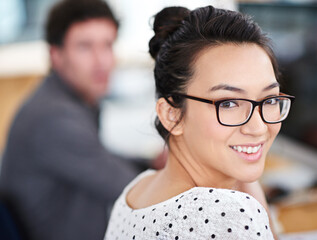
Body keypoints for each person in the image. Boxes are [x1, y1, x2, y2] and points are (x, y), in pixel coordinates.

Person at [104, 5, 295, 240]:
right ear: (172, 115)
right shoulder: (231, 215)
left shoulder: (136, 190)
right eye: (228, 103)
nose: (258, 128)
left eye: (269, 99)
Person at [0, 0, 160, 239]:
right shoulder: (54, 118)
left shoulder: (63, 99)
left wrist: (151, 161)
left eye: (107, 45)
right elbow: (134, 191)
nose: (102, 61)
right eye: (85, 47)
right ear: (56, 55)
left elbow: (98, 157)